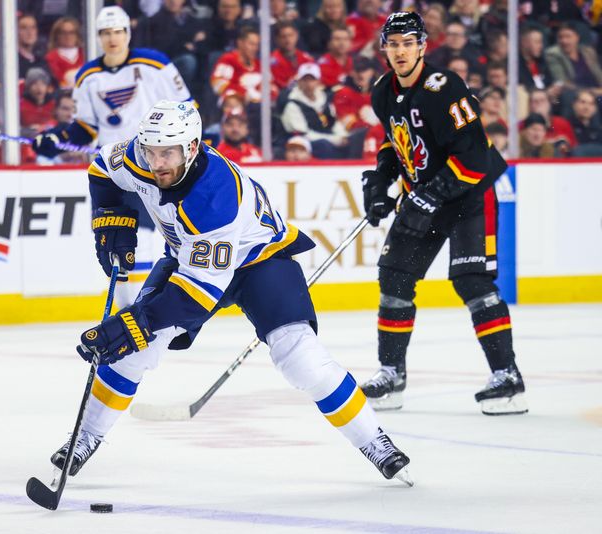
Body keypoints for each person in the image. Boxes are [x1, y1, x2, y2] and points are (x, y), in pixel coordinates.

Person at [48, 100, 413, 487]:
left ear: (191, 147)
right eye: (152, 151)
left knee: (300, 357)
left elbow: (195, 297)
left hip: (260, 263)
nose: (157, 163)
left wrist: (130, 325)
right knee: (135, 351)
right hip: (190, 259)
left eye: (167, 153)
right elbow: (101, 171)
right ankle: (84, 438)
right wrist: (113, 220)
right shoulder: (138, 155)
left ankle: (375, 441)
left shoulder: (216, 197)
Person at [359, 12, 527, 416]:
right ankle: (391, 374)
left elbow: (473, 159)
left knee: (472, 282)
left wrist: (427, 197)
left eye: (407, 43)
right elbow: (395, 142)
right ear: (384, 48)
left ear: (422, 46)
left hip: (469, 194)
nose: (400, 51)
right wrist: (381, 182)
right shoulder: (383, 90)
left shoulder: (443, 88)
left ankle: (507, 377)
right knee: (395, 277)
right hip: (427, 196)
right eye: (393, 43)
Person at [32, 5, 194, 308]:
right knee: (114, 242)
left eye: (118, 31)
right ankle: (125, 314)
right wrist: (55, 139)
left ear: (127, 33)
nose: (112, 38)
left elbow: (187, 108)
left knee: (147, 239)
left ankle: (146, 310)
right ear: (98, 37)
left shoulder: (155, 65)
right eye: (106, 33)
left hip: (153, 166)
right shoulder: (88, 77)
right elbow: (82, 129)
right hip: (114, 170)